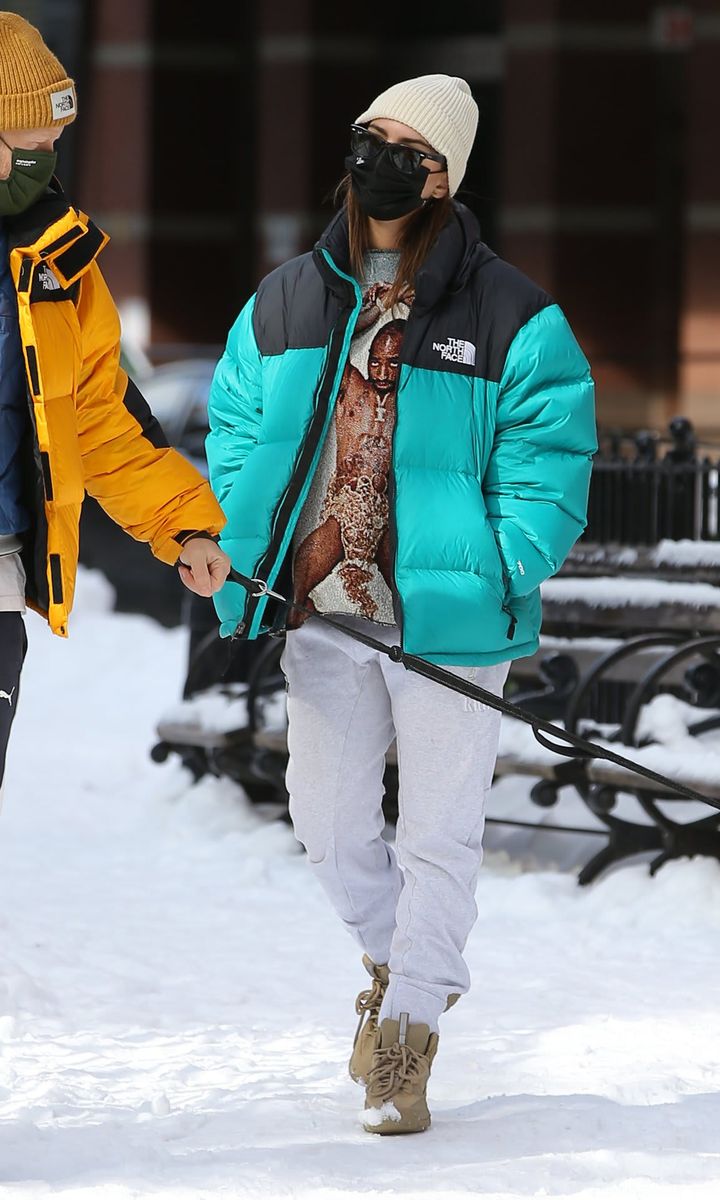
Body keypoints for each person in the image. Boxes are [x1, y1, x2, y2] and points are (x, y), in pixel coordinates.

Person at [207, 73, 597, 1135]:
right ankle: (396, 960)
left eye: (404, 146)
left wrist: (496, 569)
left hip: (450, 624)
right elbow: (234, 427)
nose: (377, 156)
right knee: (327, 829)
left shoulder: (513, 312)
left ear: (443, 176)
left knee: (438, 832)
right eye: (369, 136)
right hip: (324, 613)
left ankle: (412, 1030)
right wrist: (248, 546)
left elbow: (551, 460)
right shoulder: (288, 298)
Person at [0, 13, 230, 792]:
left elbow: (103, 416)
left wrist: (182, 525)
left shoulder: (61, 265)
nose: (44, 159)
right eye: (27, 141)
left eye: (50, 142)